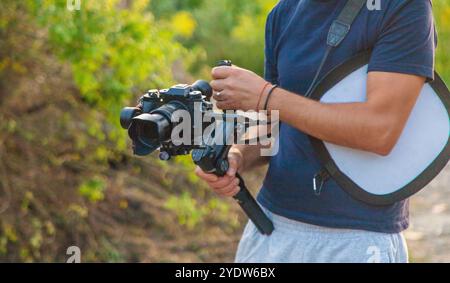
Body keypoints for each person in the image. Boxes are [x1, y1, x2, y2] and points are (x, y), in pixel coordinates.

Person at [195, 0, 436, 263]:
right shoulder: (283, 12)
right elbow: (274, 127)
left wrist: (265, 95)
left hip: (356, 240)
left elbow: (380, 130)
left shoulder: (403, 6)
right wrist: (238, 156)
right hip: (268, 228)